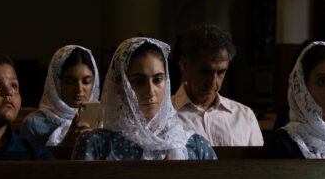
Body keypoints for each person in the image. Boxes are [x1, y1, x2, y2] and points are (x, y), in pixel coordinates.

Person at [72, 37, 217, 160]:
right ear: (120, 87)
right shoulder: (97, 144)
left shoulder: (195, 145)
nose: (150, 91)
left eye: (157, 79)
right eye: (139, 82)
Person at [172, 24, 263, 146]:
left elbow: (256, 165)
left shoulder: (244, 116)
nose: (213, 82)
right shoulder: (163, 115)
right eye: (205, 72)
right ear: (184, 65)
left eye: (220, 72)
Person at [20, 45, 100, 148]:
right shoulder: (33, 124)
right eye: (70, 82)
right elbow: (27, 163)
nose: (79, 89)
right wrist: (64, 146)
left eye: (86, 82)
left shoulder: (103, 122)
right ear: (56, 83)